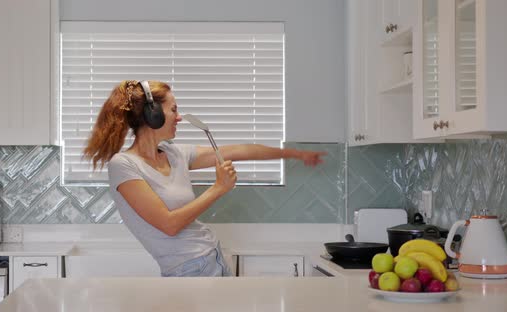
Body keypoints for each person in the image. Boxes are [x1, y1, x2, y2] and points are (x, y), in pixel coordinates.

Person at [83, 80, 327, 277]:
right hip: (187, 270)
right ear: (153, 114)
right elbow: (169, 225)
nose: (179, 117)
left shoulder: (174, 153)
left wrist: (294, 154)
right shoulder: (124, 165)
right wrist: (219, 188)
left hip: (213, 257)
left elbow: (239, 151)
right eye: (174, 109)